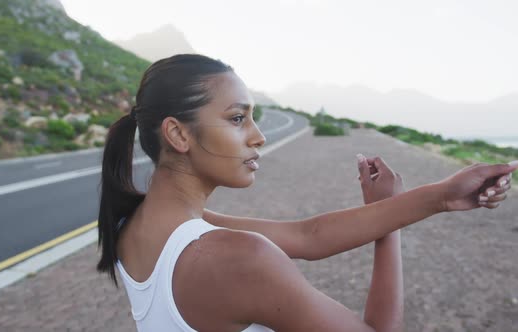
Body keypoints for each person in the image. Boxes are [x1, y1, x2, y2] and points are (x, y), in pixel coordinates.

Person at [96, 54, 517, 331]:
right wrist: (392, 228)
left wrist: (438, 196)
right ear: (177, 133)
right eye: (238, 118)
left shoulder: (134, 222)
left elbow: (307, 237)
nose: (258, 136)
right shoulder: (234, 257)